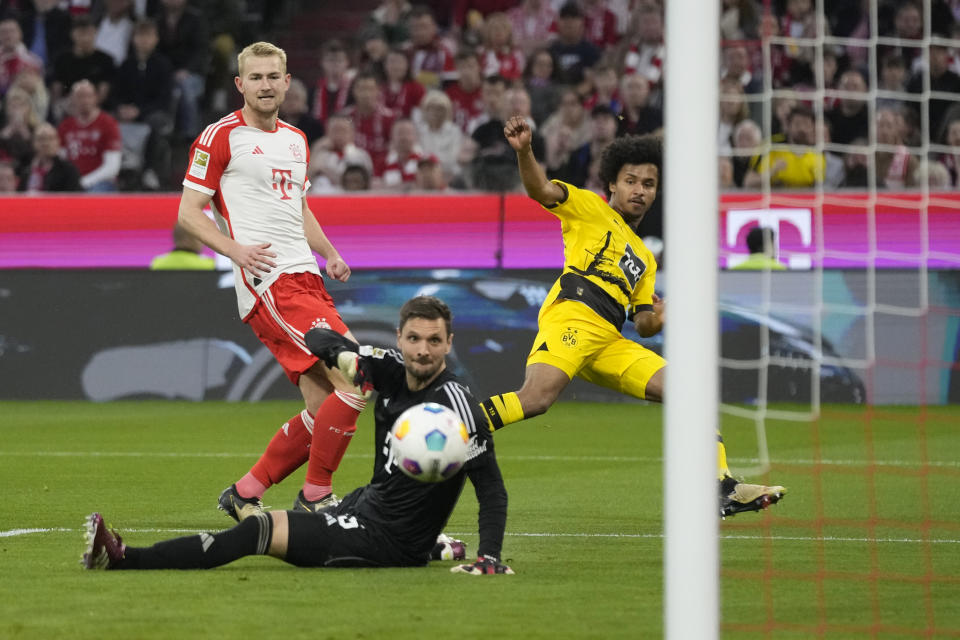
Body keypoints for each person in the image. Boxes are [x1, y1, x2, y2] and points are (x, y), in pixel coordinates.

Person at [479, 117, 786, 517]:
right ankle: (456, 426)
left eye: (648, 184)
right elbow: (539, 188)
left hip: (608, 338)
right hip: (574, 313)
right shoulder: (587, 206)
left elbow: (641, 324)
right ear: (612, 183)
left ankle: (720, 487)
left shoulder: (645, 258)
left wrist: (659, 319)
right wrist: (524, 151)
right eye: (631, 181)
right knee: (536, 399)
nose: (639, 190)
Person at [82, 296, 513, 575]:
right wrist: (345, 354)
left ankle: (123, 559)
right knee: (301, 519)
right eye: (414, 339)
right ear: (399, 338)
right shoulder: (393, 370)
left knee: (261, 530)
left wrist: (490, 557)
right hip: (365, 507)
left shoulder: (456, 407)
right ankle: (436, 546)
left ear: (449, 343)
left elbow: (490, 487)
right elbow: (321, 338)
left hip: (384, 540)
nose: (423, 350)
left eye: (434, 341)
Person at [176, 41, 366, 521]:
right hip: (271, 282)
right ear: (240, 85)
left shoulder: (296, 140)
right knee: (357, 375)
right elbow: (188, 214)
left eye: (272, 76)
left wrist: (329, 253)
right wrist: (235, 251)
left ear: (286, 82)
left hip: (305, 276)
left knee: (325, 400)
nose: (265, 85)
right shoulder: (219, 136)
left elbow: (297, 208)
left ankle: (246, 491)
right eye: (255, 77)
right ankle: (316, 497)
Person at [57, 79, 122, 192]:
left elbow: (112, 167)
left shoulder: (108, 124)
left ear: (96, 98)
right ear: (72, 99)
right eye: (80, 96)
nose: (85, 101)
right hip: (72, 181)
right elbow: (61, 159)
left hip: (100, 181)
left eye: (88, 96)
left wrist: (85, 181)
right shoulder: (65, 126)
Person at [23, 122, 82, 192]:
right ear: (33, 143)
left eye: (50, 138)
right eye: (41, 139)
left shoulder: (68, 170)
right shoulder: (26, 169)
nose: (45, 143)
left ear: (58, 142)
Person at [149, 222, 216, 270]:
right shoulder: (209, 265)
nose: (203, 242)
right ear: (190, 238)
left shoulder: (157, 263)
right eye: (200, 238)